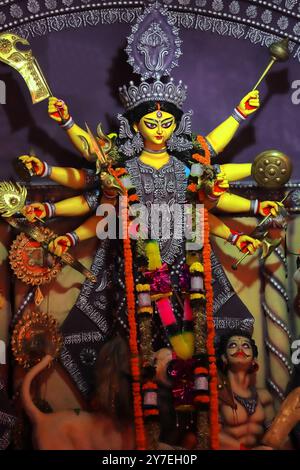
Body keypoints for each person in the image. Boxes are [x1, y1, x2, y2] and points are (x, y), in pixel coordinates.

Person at [217, 330, 275, 450]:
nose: (240, 348)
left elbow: (273, 433)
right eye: (233, 345)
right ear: (224, 358)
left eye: (246, 345)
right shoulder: (218, 394)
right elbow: (209, 434)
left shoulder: (264, 396)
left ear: (254, 359)